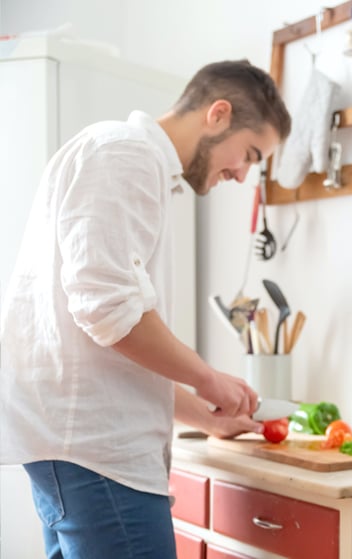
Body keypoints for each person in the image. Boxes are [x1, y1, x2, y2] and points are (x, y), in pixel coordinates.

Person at [0, 59, 291, 559]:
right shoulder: (125, 155)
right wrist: (208, 378)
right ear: (217, 114)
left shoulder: (135, 163)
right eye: (249, 154)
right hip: (98, 454)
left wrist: (205, 414)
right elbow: (110, 311)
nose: (243, 174)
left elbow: (106, 341)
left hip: (81, 449)